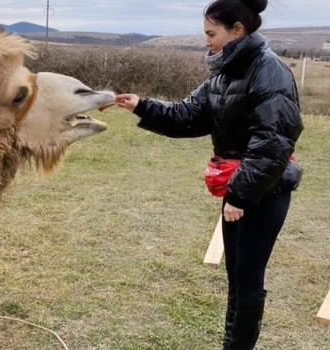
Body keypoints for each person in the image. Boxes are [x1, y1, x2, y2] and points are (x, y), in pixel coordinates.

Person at [113, 0, 304, 349]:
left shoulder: (269, 71)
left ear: (237, 30)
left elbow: (273, 142)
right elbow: (188, 115)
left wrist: (239, 194)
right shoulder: (225, 72)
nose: (206, 42)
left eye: (211, 34)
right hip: (240, 189)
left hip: (263, 191)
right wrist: (142, 105)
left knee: (247, 281)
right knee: (236, 276)